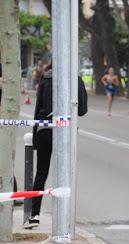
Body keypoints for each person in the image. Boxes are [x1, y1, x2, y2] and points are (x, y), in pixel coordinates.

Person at [24, 62, 87, 228]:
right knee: (65, 175)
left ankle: (35, 215)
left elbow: (38, 109)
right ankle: (64, 218)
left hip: (45, 130)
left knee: (41, 173)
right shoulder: (75, 80)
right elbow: (82, 110)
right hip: (65, 132)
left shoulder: (46, 78)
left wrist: (36, 135)